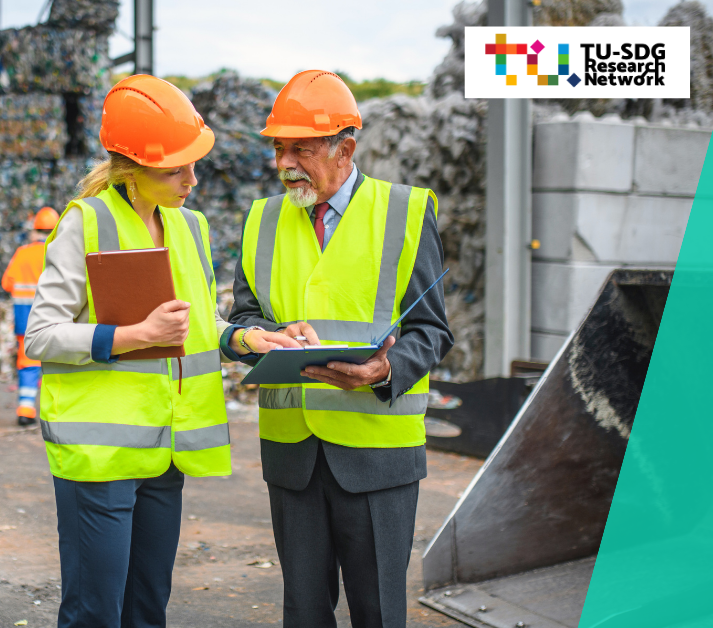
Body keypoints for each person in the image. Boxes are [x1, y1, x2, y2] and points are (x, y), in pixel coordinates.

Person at [24, 75, 297, 628]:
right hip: (98, 457)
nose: (192, 180)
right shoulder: (87, 222)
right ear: (131, 168)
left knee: (147, 610)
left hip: (163, 449)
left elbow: (196, 320)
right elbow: (40, 335)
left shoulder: (188, 226)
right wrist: (133, 336)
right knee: (95, 614)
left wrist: (244, 338)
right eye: (176, 169)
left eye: (194, 164)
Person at [228, 70, 453, 628]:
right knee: (303, 614)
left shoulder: (403, 211)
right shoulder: (261, 219)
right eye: (279, 148)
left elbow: (431, 330)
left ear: (345, 149)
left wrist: (383, 370)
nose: (285, 164)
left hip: (379, 457)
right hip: (292, 455)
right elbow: (244, 317)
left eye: (300, 149)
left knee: (377, 612)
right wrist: (263, 338)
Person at [1, 206, 60, 427]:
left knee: (28, 365)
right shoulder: (59, 252)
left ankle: (25, 410)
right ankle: (52, 414)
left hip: (24, 321)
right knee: (54, 365)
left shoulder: (22, 253)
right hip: (53, 322)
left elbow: (7, 283)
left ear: (35, 230)